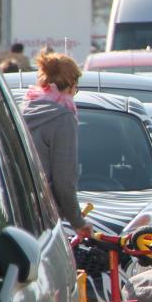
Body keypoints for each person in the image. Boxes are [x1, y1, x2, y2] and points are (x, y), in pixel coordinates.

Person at [20, 52, 90, 238]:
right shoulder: (63, 118)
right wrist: (78, 222)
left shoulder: (24, 108)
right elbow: (64, 182)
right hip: (44, 218)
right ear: (71, 85)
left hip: (16, 211)